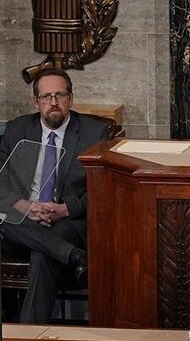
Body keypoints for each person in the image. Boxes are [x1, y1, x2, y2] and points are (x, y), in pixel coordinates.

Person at [0, 68, 110, 323]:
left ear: (70, 99)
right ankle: (74, 256)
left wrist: (66, 209)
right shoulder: (17, 130)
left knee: (43, 252)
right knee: (7, 221)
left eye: (60, 95)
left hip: (64, 222)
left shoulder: (95, 134)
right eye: (46, 96)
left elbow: (105, 191)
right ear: (35, 101)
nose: (53, 103)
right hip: (21, 221)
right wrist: (24, 205)